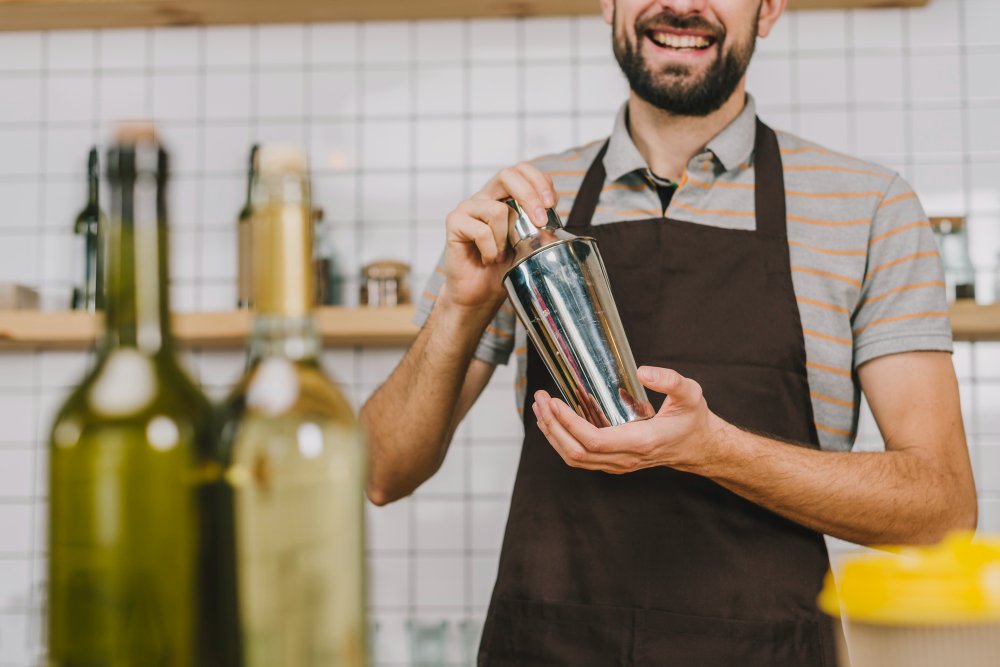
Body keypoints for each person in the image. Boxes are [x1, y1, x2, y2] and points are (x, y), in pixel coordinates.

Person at [361, 0, 978, 663]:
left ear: (768, 9)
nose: (683, 4)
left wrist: (713, 448)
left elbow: (942, 511)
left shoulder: (869, 207)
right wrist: (461, 301)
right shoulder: (526, 205)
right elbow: (379, 471)